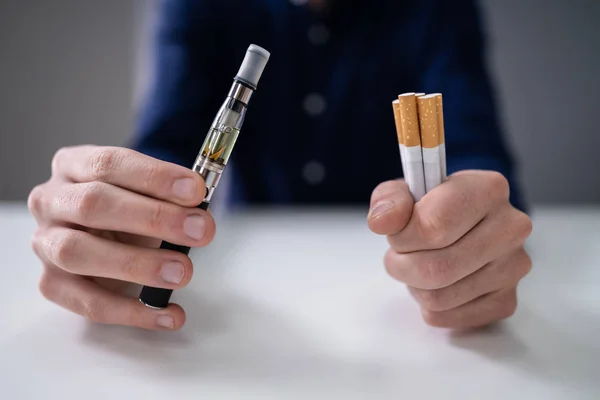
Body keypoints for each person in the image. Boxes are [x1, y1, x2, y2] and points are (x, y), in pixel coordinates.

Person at [27, 0, 532, 331]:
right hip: (252, 282)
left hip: (393, 283)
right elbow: (167, 144)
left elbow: (477, 157)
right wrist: (116, 213)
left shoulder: (437, 10)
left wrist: (473, 220)